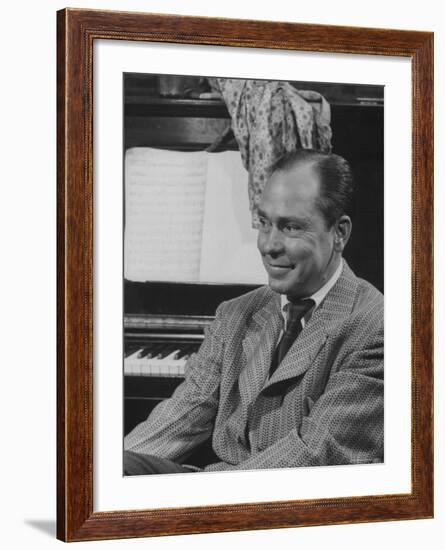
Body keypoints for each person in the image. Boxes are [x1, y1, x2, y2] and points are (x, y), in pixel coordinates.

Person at [124, 149, 384, 475]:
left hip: (296, 507)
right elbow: (184, 413)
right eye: (264, 223)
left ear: (339, 233)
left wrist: (189, 496)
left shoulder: (377, 327)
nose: (268, 245)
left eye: (290, 227)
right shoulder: (235, 313)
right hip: (214, 488)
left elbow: (313, 454)